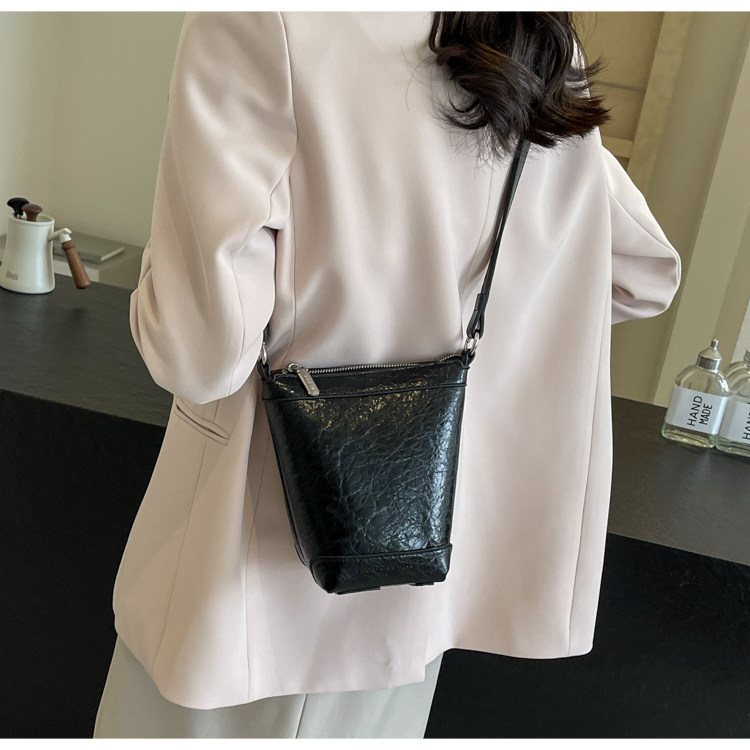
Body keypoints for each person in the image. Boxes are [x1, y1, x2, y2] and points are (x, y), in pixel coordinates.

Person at [94, 11, 681, 738]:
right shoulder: (528, 40)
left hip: (246, 596)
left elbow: (198, 354)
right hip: (413, 598)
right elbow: (642, 275)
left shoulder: (259, 22)